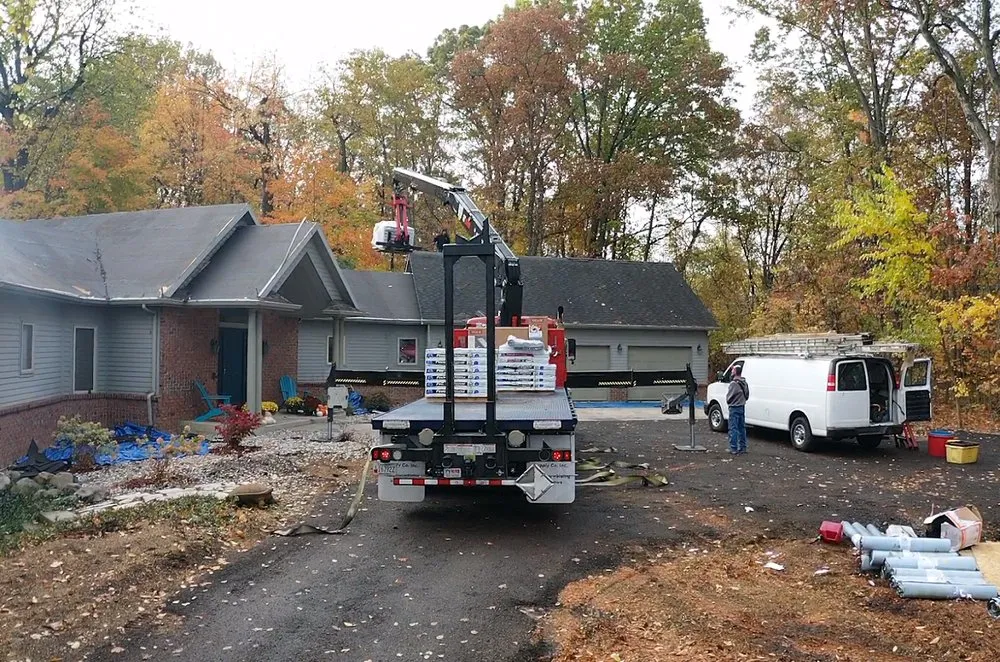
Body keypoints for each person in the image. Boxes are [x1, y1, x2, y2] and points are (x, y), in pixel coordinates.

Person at [726, 365, 750, 455]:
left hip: (734, 407)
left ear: (735, 372)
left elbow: (729, 397)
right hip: (742, 406)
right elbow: (747, 395)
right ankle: (743, 447)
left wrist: (729, 401)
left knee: (733, 428)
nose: (731, 372)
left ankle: (734, 448)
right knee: (742, 428)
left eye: (733, 370)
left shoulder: (733, 383)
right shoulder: (744, 382)